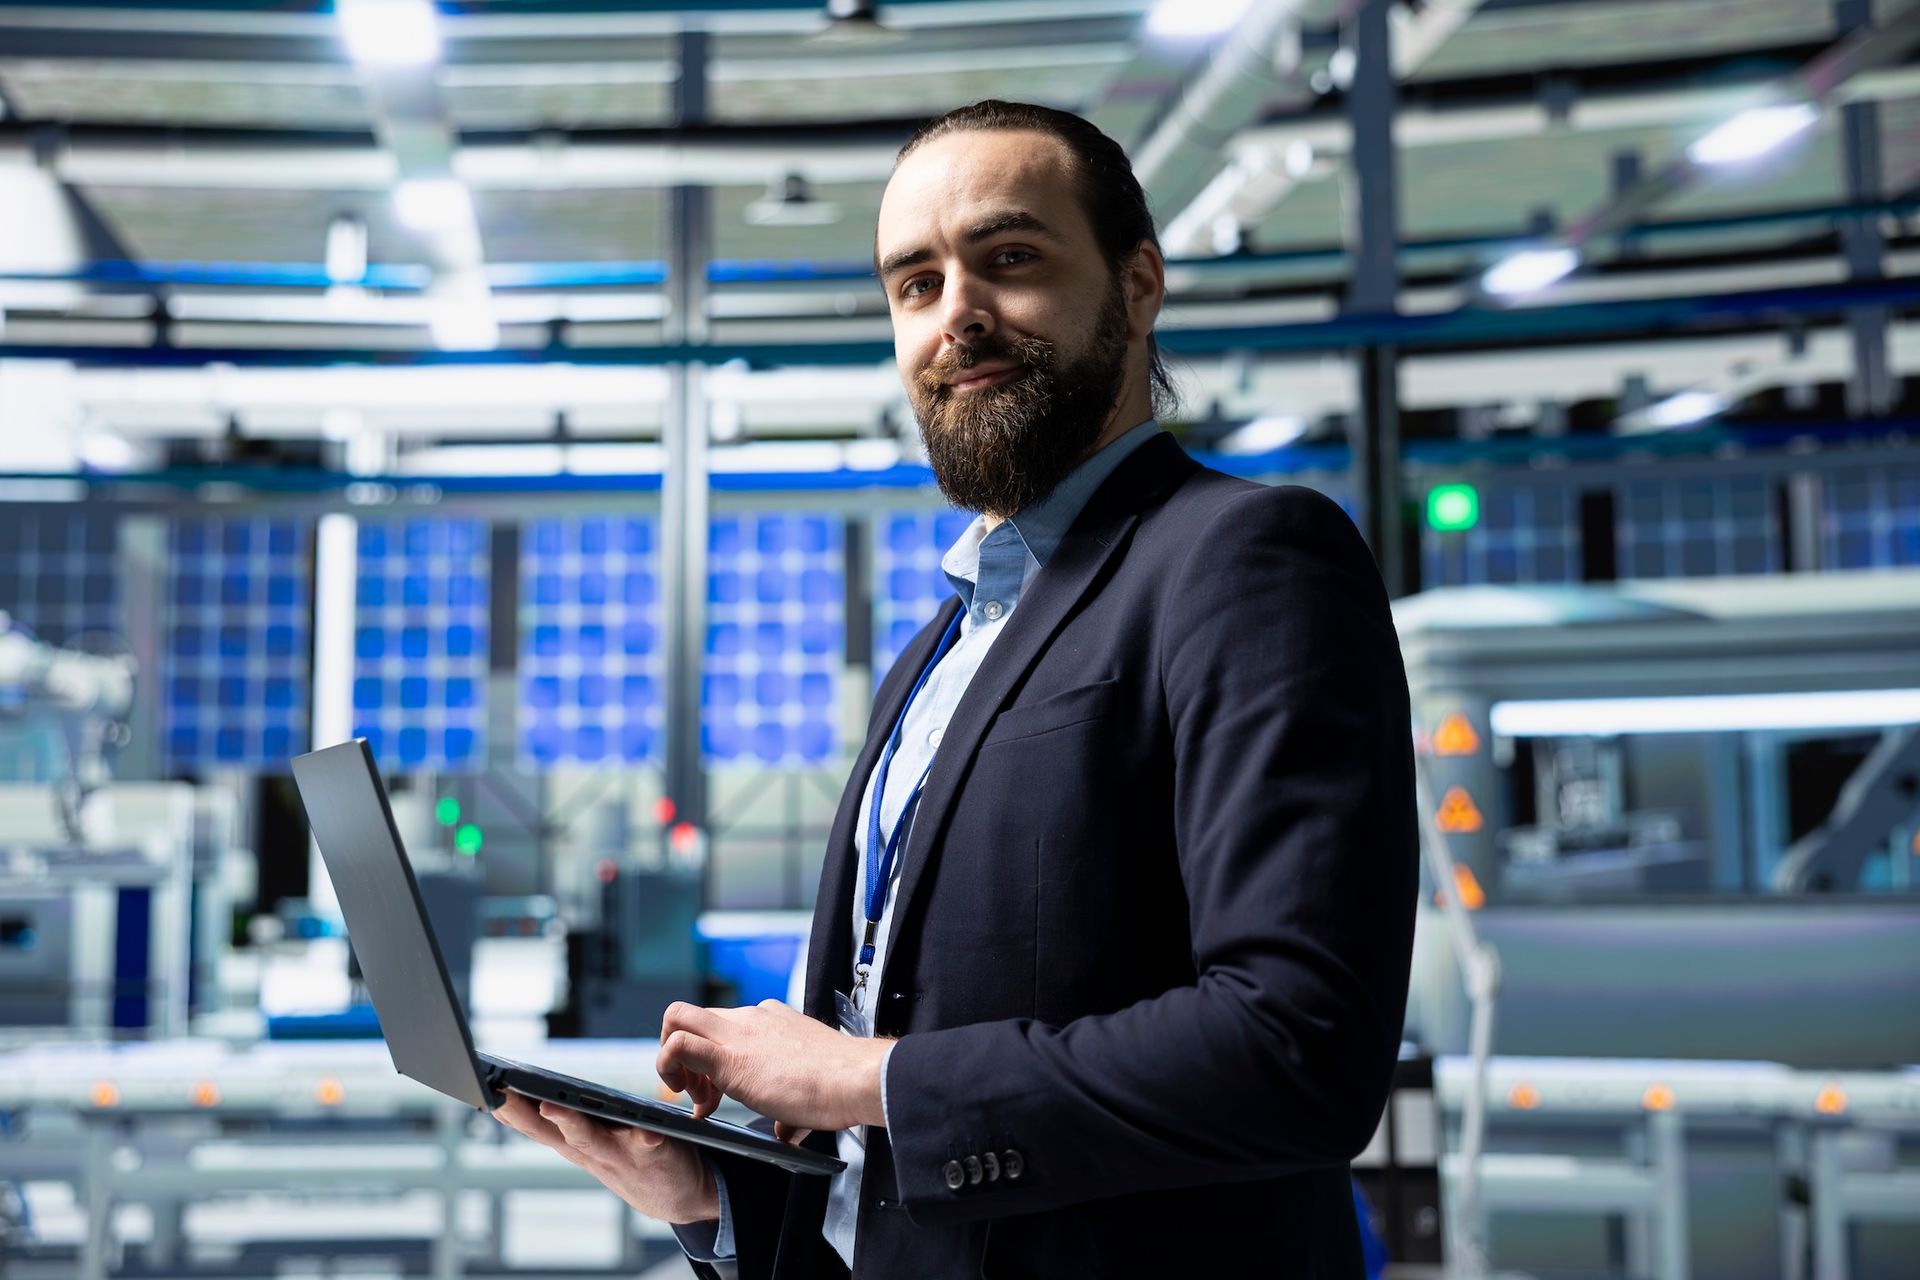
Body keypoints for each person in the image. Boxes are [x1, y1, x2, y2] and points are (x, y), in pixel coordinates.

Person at [495, 99, 1418, 1279]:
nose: (957, 315)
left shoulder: (1244, 557)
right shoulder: (932, 656)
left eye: (1010, 259)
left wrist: (863, 1075)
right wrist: (716, 1197)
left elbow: (1299, 1047)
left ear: (1139, 285)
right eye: (915, 283)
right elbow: (905, 1173)